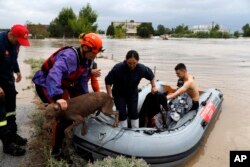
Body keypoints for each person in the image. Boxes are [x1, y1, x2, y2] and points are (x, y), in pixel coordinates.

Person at [32, 33, 103, 158]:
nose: (95, 56)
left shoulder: (86, 60)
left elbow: (81, 83)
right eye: (95, 53)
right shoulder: (69, 56)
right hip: (46, 84)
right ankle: (56, 151)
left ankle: (67, 135)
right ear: (86, 48)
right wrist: (57, 96)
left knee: (77, 106)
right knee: (63, 115)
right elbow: (54, 74)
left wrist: (87, 101)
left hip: (61, 85)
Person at [105, 50, 158, 128]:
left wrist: (153, 86)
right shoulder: (118, 68)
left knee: (133, 112)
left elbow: (151, 76)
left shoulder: (141, 68)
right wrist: (109, 95)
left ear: (138, 61)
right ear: (126, 60)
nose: (132, 65)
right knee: (122, 113)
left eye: (134, 63)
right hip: (119, 93)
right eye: (129, 63)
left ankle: (135, 129)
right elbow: (108, 81)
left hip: (132, 92)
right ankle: (123, 129)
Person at [0, 24, 30, 156]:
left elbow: (13, 58)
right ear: (11, 35)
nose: (20, 44)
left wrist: (17, 71)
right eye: (18, 41)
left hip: (8, 79)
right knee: (1, 114)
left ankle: (12, 134)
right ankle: (7, 144)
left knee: (11, 109)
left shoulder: (16, 44)